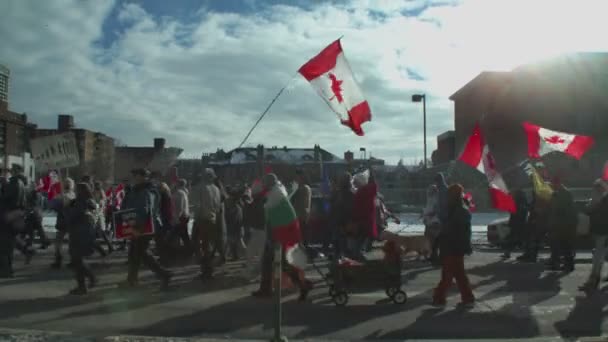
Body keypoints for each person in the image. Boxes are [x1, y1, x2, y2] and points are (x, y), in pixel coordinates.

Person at [252, 173, 312, 300]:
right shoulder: (277, 191)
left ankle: (303, 285)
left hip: (283, 233)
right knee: (272, 261)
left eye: (265, 182)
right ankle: (267, 288)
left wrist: (271, 238)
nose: (263, 185)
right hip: (284, 231)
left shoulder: (275, 195)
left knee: (283, 263)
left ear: (270, 183)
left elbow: (271, 218)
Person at [120, 168, 172, 290]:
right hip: (136, 225)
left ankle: (164, 274)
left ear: (143, 177)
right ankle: (132, 280)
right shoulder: (137, 190)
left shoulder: (147, 191)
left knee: (142, 253)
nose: (133, 178)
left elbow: (144, 210)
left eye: (135, 175)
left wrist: (137, 226)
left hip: (143, 227)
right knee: (134, 253)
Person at [432, 184, 475, 307]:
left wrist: (442, 227)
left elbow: (452, 229)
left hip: (453, 246)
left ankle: (440, 298)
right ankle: (467, 299)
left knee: (449, 275)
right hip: (453, 246)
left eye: (449, 194)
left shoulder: (459, 210)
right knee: (456, 274)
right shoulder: (456, 209)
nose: (447, 197)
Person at [66, 183, 98, 295]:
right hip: (84, 232)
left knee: (77, 260)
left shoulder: (81, 202)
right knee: (77, 260)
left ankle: (86, 283)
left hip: (79, 233)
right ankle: (87, 281)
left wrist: (67, 208)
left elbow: (74, 216)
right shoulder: (88, 201)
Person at [192, 168, 222, 279]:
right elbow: (218, 207)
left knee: (203, 245)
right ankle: (209, 269)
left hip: (202, 219)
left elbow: (197, 206)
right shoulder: (216, 189)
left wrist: (197, 219)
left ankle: (206, 270)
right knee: (209, 245)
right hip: (213, 219)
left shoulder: (200, 188)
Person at [579, 179, 608, 292]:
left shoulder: (603, 200)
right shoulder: (600, 200)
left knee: (597, 258)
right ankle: (594, 280)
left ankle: (593, 281)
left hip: (603, 232)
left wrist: (593, 204)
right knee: (600, 256)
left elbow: (588, 211)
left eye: (595, 190)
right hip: (601, 232)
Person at [0, 164, 29, 277]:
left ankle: (6, 270)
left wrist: (3, 185)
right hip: (15, 215)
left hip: (9, 215)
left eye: (13, 169)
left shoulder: (14, 183)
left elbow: (5, 198)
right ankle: (8, 268)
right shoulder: (21, 183)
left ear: (17, 171)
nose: (10, 171)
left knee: (5, 244)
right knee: (9, 242)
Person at [546, 177, 578, 272]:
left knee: (565, 245)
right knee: (558, 245)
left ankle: (567, 264)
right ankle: (558, 263)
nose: (552, 187)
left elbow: (561, 210)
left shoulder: (564, 193)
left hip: (563, 224)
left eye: (553, 185)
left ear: (558, 184)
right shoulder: (559, 193)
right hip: (559, 224)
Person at [350, 167, 378, 261]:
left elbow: (356, 208)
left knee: (359, 240)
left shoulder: (361, 192)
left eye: (356, 182)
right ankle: (359, 256)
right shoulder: (369, 191)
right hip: (367, 219)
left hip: (361, 220)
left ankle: (358, 257)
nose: (354, 184)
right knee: (363, 240)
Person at [50, 178, 76, 268]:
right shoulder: (72, 195)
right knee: (70, 241)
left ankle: (59, 260)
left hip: (64, 220)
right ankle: (71, 260)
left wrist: (60, 201)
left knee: (59, 242)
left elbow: (53, 206)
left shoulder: (65, 196)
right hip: (70, 221)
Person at [329, 172, 354, 260]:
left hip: (340, 224)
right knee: (342, 249)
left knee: (340, 249)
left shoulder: (339, 194)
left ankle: (339, 264)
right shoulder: (348, 194)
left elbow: (333, 209)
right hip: (341, 225)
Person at [502, 189, 529, 259]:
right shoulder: (523, 202)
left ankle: (508, 253)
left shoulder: (519, 202)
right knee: (519, 239)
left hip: (517, 223)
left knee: (513, 239)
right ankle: (526, 253)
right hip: (520, 223)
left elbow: (516, 212)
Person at [291, 169, 312, 256]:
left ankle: (303, 253)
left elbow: (303, 204)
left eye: (298, 177)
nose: (296, 179)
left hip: (301, 216)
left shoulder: (304, 188)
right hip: (297, 216)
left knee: (302, 236)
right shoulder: (299, 188)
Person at [92, 181, 114, 255]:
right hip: (95, 214)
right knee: (96, 232)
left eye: (97, 185)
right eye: (96, 185)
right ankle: (107, 247)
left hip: (99, 214)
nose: (96, 186)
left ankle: (109, 246)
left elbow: (102, 203)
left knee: (102, 232)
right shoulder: (93, 192)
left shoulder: (101, 192)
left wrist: (97, 206)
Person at [171, 179, 191, 253]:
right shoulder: (182, 192)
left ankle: (186, 251)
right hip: (183, 217)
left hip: (181, 218)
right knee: (183, 235)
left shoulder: (179, 193)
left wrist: (176, 219)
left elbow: (180, 207)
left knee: (177, 235)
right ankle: (187, 251)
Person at [225, 187, 245, 261]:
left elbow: (233, 218)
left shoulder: (235, 208)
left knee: (239, 243)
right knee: (233, 243)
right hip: (236, 228)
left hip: (235, 228)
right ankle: (235, 256)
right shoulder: (238, 206)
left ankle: (247, 257)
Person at [423, 184, 441, 262]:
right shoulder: (429, 199)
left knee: (434, 241)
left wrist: (430, 214)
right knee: (428, 240)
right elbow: (428, 209)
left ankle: (435, 257)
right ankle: (432, 256)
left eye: (430, 190)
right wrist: (424, 216)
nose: (428, 192)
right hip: (428, 222)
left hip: (434, 222)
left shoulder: (437, 199)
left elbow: (437, 210)